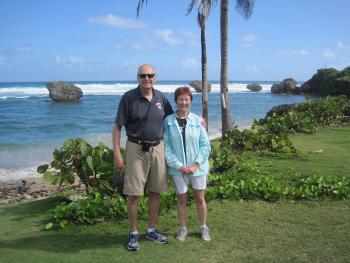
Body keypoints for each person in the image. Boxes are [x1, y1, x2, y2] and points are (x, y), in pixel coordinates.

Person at [112, 64, 173, 251]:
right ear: (137, 78)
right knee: (134, 193)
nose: (147, 78)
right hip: (136, 148)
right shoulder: (128, 98)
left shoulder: (161, 97)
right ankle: (133, 234)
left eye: (150, 75)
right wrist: (117, 155)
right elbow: (117, 127)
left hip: (158, 148)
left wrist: (197, 121)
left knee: (155, 191)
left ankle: (151, 230)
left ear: (156, 77)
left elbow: (172, 120)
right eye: (143, 75)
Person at [164, 86, 211, 242]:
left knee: (200, 198)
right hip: (179, 170)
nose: (183, 102)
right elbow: (167, 147)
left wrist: (195, 165)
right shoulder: (168, 121)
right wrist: (179, 166)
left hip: (198, 168)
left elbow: (206, 145)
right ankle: (183, 228)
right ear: (176, 101)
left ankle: (203, 227)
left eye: (187, 99)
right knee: (182, 199)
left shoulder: (198, 121)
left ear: (190, 101)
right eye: (181, 99)